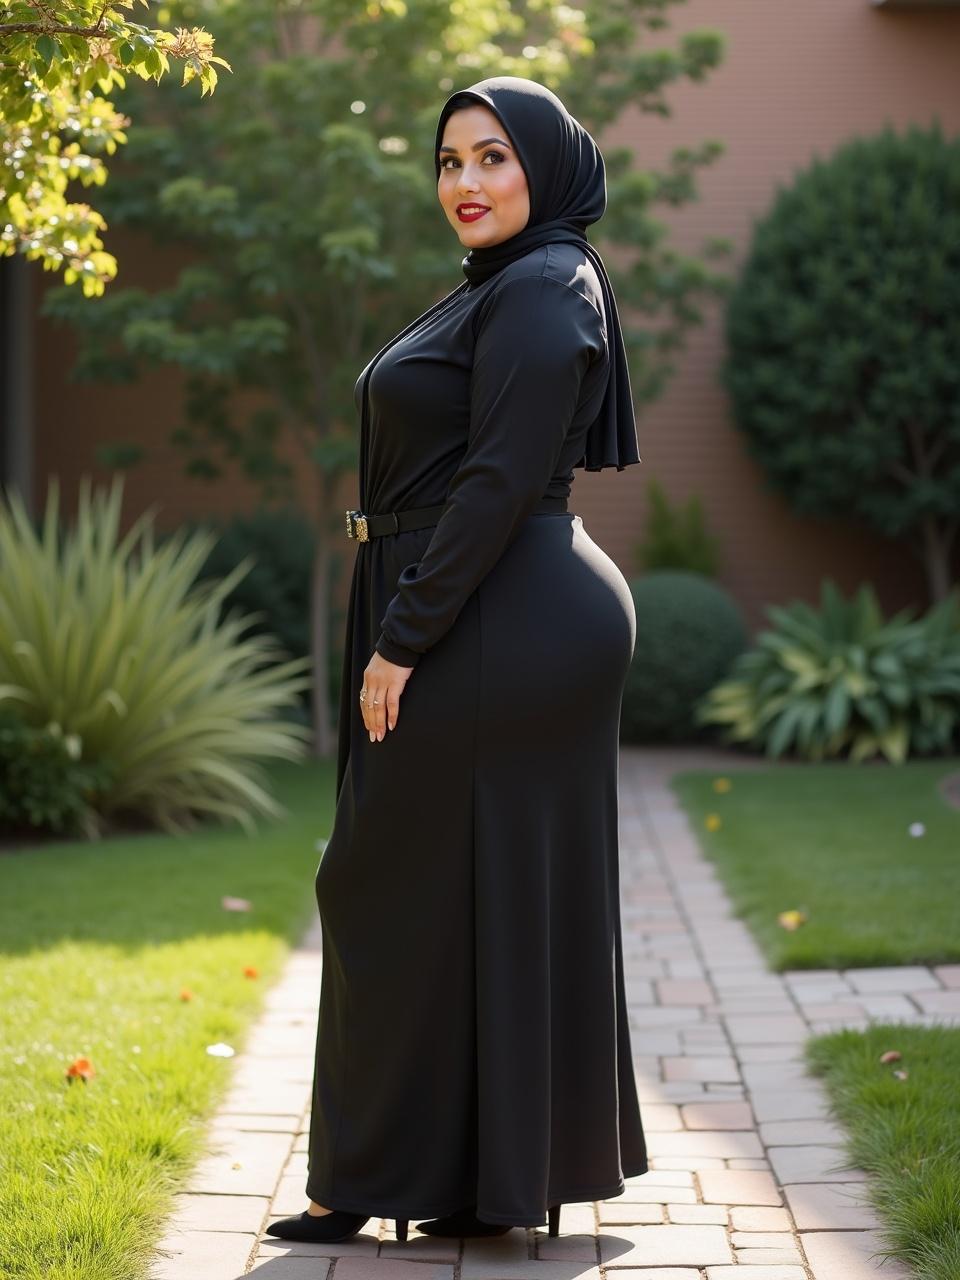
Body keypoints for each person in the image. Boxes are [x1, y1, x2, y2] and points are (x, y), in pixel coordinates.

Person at [266, 73, 648, 1247]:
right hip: (491, 610)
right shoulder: (507, 286)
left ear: (542, 163)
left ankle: (368, 1176)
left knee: (379, 880)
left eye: (492, 157)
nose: (465, 183)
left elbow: (492, 485)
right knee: (452, 891)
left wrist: (399, 641)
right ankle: (467, 1171)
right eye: (447, 161)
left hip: (498, 617)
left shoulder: (542, 287)